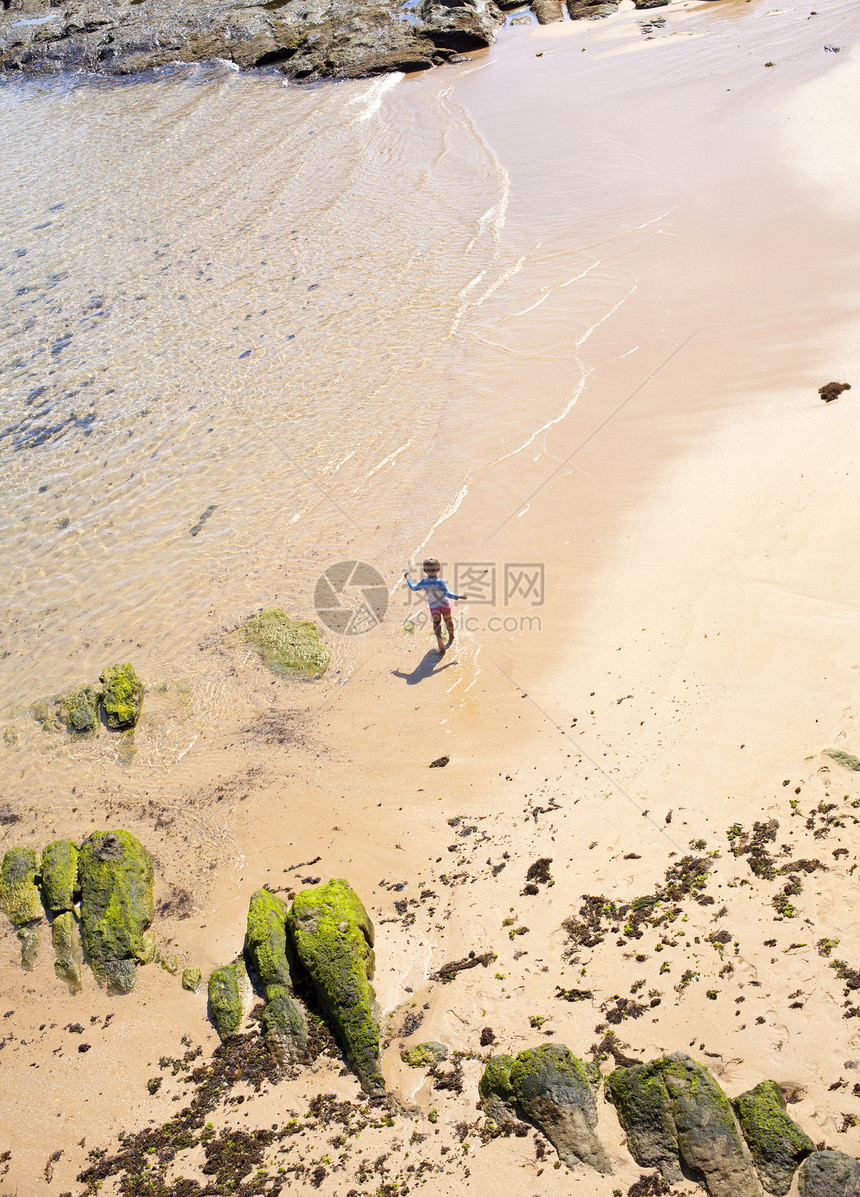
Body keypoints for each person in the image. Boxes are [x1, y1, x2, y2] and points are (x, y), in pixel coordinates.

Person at [403, 558, 467, 654]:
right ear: (439, 569)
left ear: (424, 571)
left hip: (434, 607)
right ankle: (451, 636)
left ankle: (439, 638)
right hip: (445, 605)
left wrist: (408, 579)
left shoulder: (423, 582)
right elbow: (447, 594)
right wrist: (459, 596)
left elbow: (413, 587)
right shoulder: (441, 582)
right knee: (448, 620)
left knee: (436, 623)